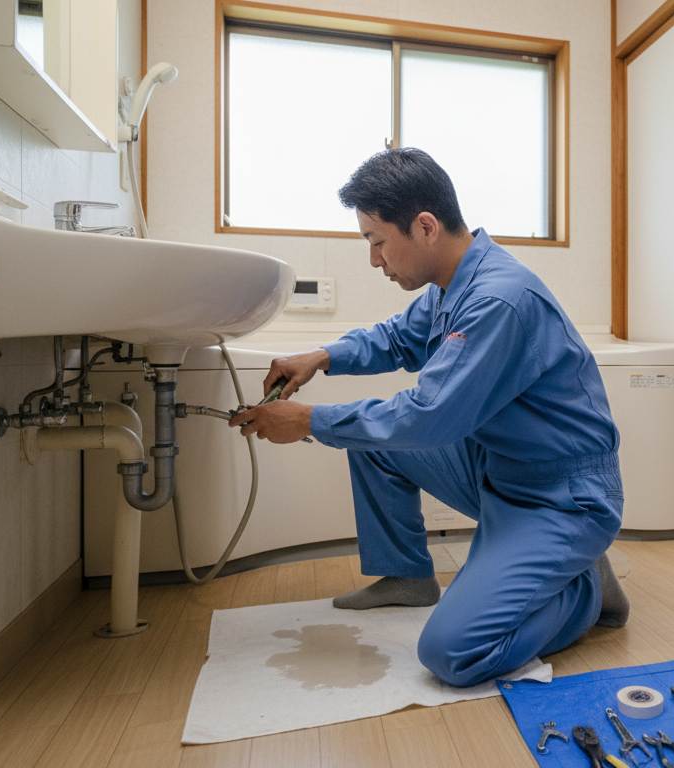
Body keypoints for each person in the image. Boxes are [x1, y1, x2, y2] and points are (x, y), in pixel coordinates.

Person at [227, 148, 629, 687]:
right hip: (499, 468)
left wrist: (307, 421)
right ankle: (406, 576)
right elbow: (395, 338)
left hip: (561, 495)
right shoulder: (451, 285)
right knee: (370, 442)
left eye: (377, 242)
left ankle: (584, 589)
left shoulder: (498, 300)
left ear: (424, 226)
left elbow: (427, 418)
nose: (374, 260)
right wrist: (321, 357)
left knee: (452, 653)